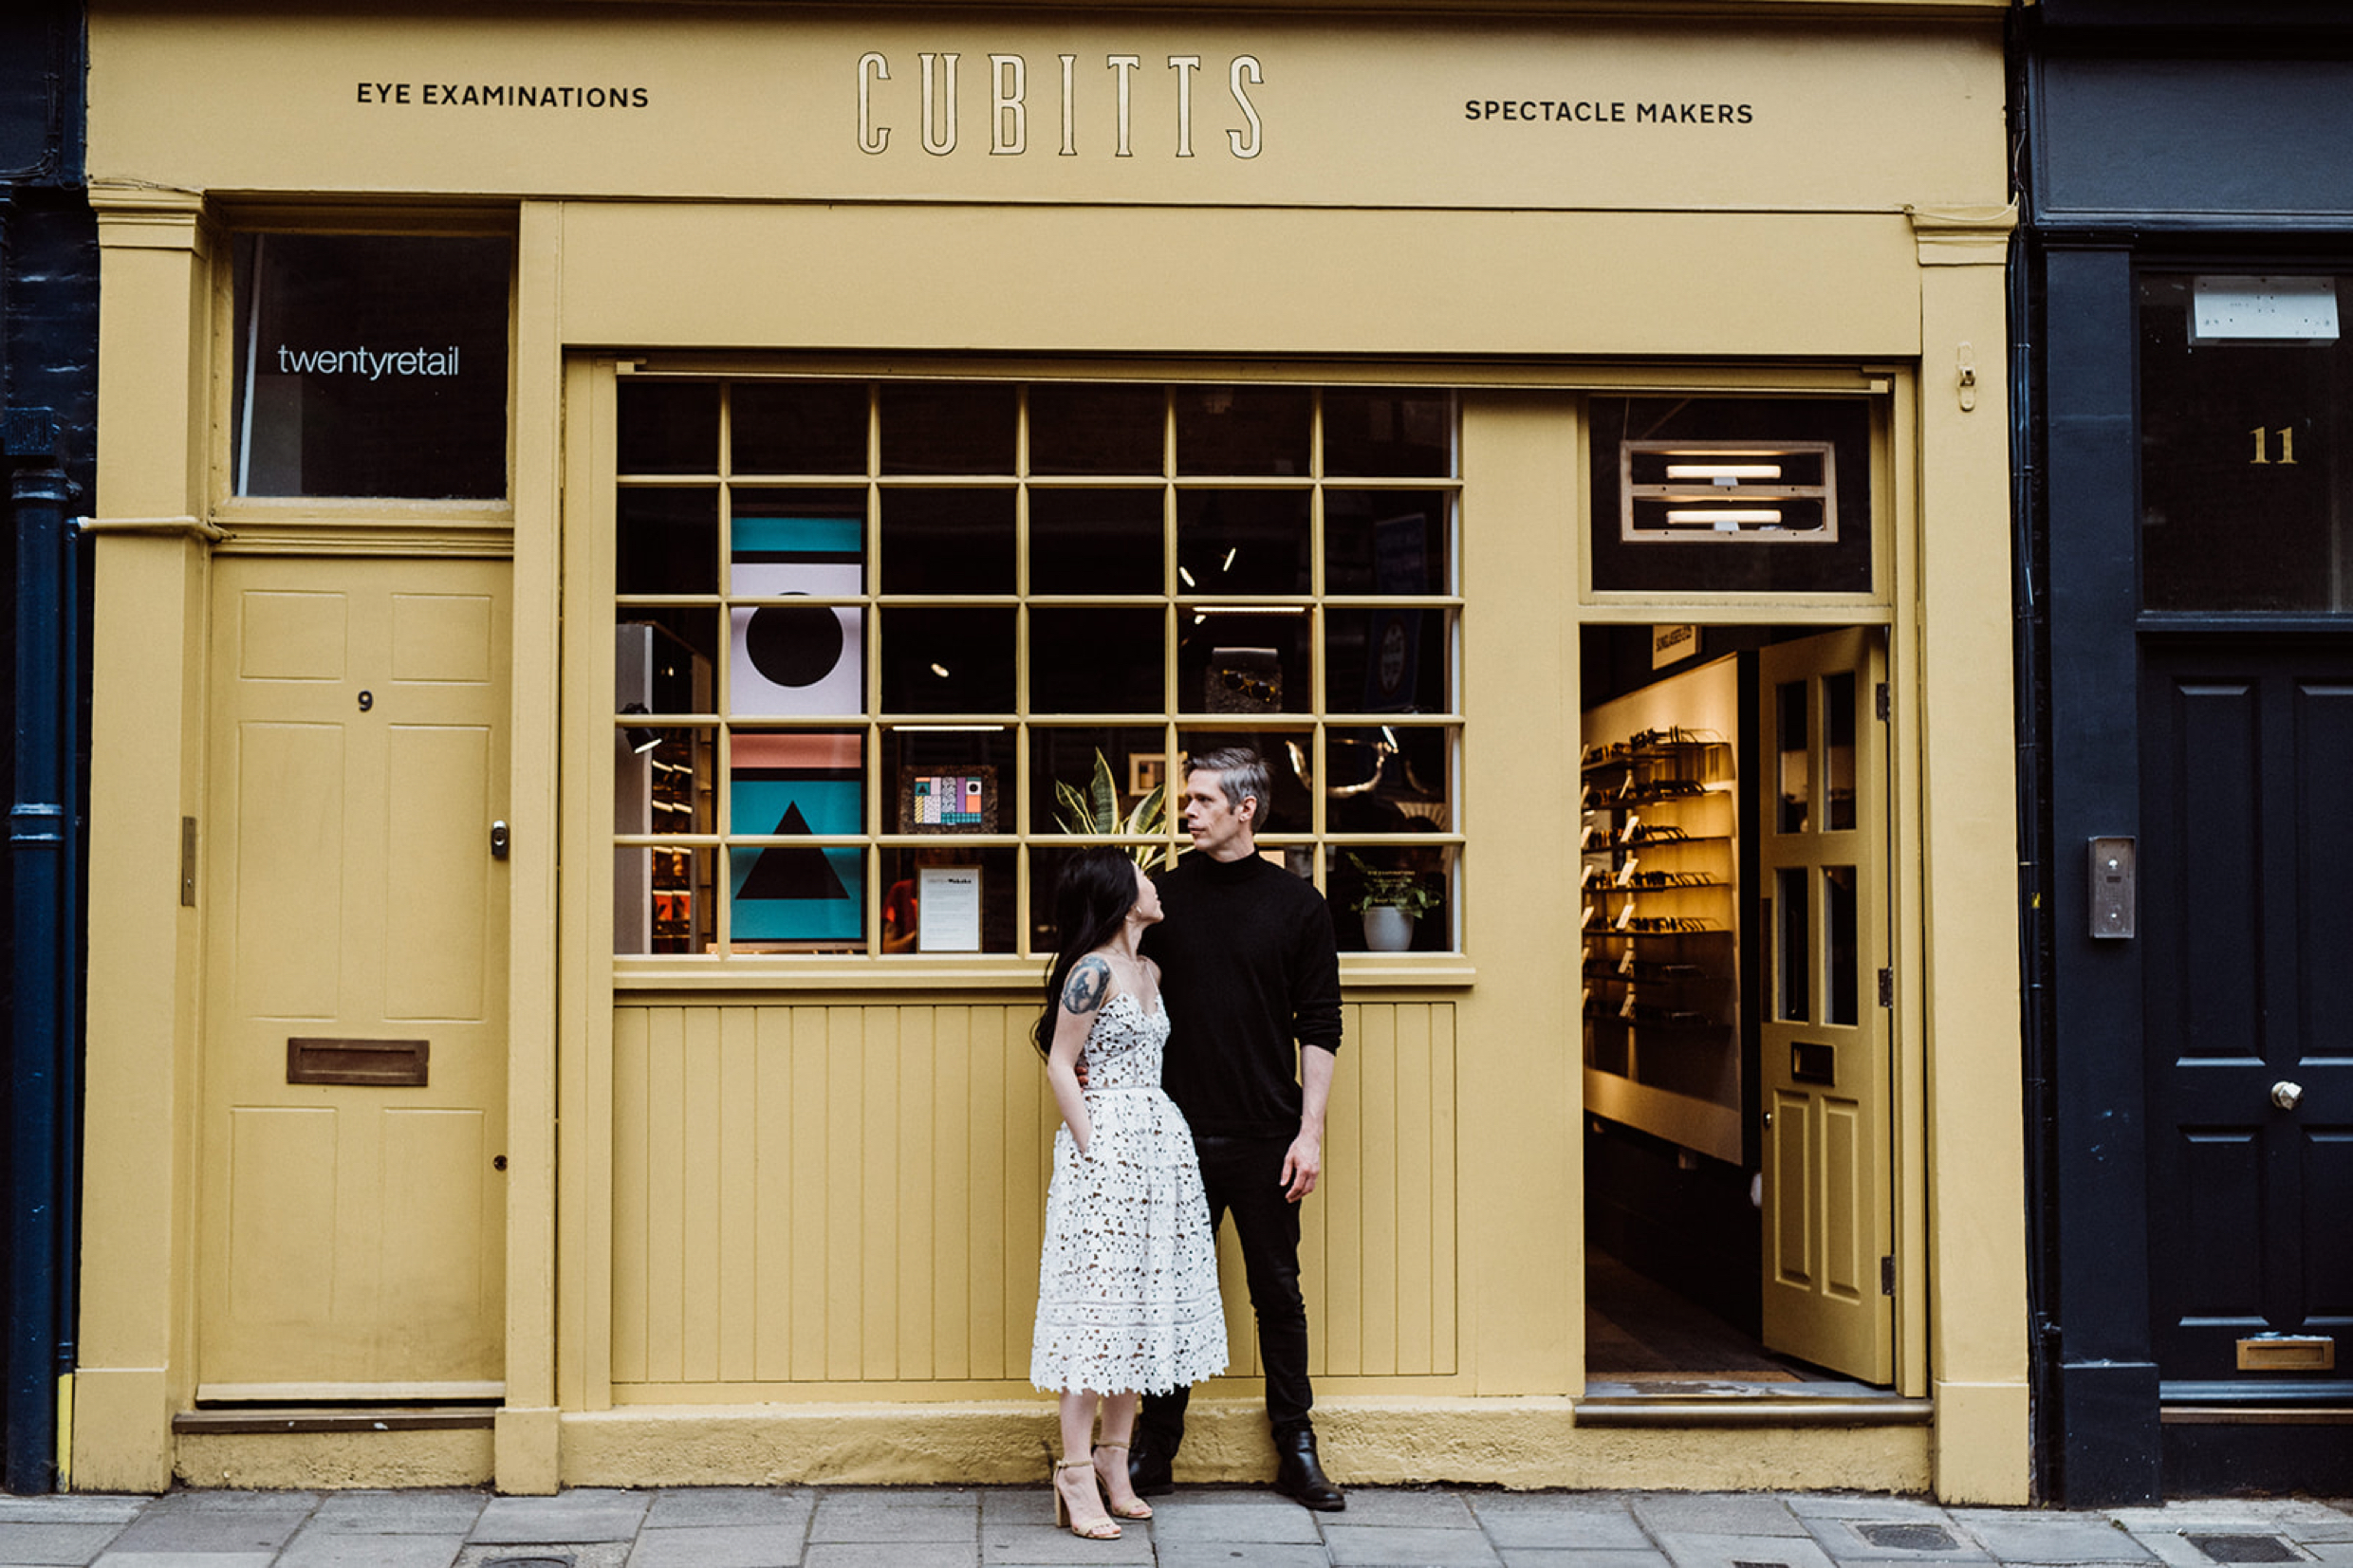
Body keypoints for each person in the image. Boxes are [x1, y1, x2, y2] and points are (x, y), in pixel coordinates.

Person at [1131, 746, 1347, 1511]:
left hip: (1264, 1134)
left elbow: (1320, 1026)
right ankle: (1155, 1446)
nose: (1185, 810)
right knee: (1167, 1292)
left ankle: (1296, 1445)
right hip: (1172, 1133)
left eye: (1199, 799)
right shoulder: (1161, 899)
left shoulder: (1298, 905)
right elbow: (1117, 989)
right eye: (1185, 800)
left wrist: (1309, 1132)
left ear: (1245, 808)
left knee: (1277, 1293)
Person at [1029, 846, 1229, 1540]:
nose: (1157, 885)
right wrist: (1091, 1145)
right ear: (1120, 894)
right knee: (1097, 1309)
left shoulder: (1151, 969)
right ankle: (1075, 1472)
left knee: (1139, 1310)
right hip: (1107, 1144)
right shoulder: (1092, 970)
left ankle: (1117, 1462)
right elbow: (1060, 1061)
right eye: (1147, 877)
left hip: (1158, 1145)